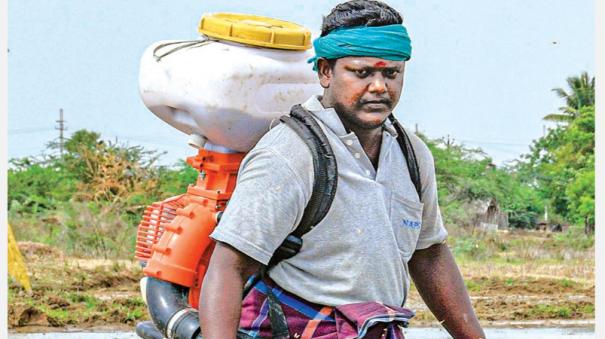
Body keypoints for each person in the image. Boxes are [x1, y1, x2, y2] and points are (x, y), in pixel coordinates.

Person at [200, 1, 485, 338]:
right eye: (362, 73)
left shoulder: (412, 154)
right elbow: (229, 267)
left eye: (391, 73)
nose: (380, 86)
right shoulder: (290, 155)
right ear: (325, 71)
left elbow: (429, 253)